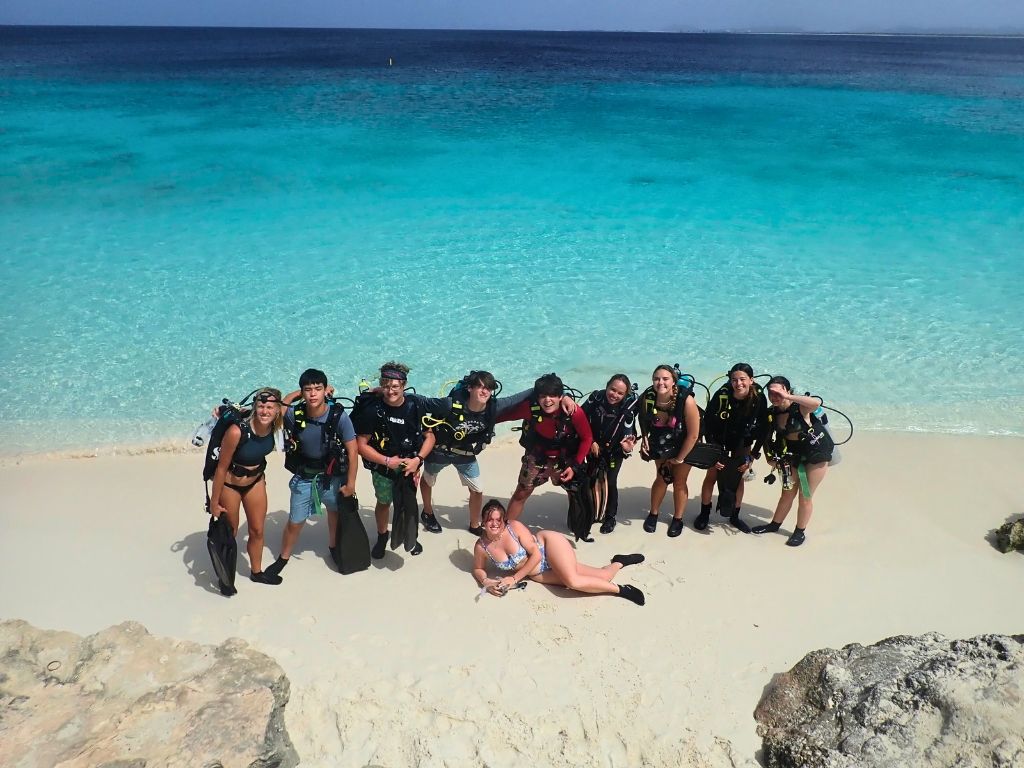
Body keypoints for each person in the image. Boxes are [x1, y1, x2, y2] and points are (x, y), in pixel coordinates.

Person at [264, 369, 359, 579]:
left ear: (326, 391)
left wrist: (350, 483)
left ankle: (333, 547)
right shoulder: (295, 415)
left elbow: (353, 451)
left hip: (332, 478)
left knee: (334, 514)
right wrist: (297, 394)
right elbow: (280, 407)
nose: (313, 394)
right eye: (308, 390)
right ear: (302, 392)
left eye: (318, 389)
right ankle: (283, 557)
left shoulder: (338, 417)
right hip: (305, 478)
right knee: (295, 521)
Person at [418, 371, 533, 536]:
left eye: (488, 388)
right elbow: (421, 402)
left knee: (477, 489)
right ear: (470, 388)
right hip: (439, 450)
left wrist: (558, 394)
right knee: (428, 480)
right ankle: (427, 513)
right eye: (479, 386)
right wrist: (384, 393)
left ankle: (474, 524)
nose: (484, 391)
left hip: (464, 452)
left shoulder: (494, 406)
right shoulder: (449, 404)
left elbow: (519, 397)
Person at [472, 500, 646, 605]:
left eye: (498, 520)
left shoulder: (514, 527)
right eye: (490, 520)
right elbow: (478, 569)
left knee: (573, 581)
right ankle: (619, 561)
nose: (494, 524)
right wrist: (487, 582)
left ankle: (622, 590)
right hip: (536, 573)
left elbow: (537, 555)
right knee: (603, 576)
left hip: (548, 547)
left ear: (503, 520)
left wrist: (514, 578)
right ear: (483, 521)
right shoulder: (481, 546)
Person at [351, 362, 435, 559]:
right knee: (383, 502)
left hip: (410, 467)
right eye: (386, 386)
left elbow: (430, 437)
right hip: (383, 469)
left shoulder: (416, 407)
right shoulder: (373, 410)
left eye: (395, 386)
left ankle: (408, 534)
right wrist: (386, 460)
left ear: (403, 385)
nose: (391, 391)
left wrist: (418, 460)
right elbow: (360, 444)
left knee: (407, 503)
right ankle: (382, 536)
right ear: (382, 385)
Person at [207, 387, 284, 587]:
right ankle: (225, 578)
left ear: (277, 409)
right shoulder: (236, 431)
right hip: (230, 485)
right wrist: (214, 503)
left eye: (269, 407)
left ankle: (256, 572)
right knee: (230, 533)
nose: (265, 411)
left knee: (257, 530)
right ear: (254, 407)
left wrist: (318, 389)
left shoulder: (276, 423)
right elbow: (221, 469)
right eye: (260, 406)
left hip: (256, 482)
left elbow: (292, 397)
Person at [503, 373, 594, 530]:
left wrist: (575, 466)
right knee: (521, 492)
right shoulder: (531, 409)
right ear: (537, 397)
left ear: (560, 397)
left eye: (553, 395)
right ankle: (504, 531)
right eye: (543, 396)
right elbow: (503, 415)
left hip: (565, 459)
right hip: (538, 457)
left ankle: (578, 526)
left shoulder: (573, 412)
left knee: (574, 492)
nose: (547, 400)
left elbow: (587, 438)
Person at [752, 376, 834, 547]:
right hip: (791, 457)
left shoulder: (801, 408)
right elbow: (766, 438)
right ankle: (774, 525)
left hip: (815, 457)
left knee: (805, 496)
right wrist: (769, 458)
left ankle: (799, 531)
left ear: (787, 390)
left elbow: (816, 403)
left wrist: (788, 397)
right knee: (787, 493)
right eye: (771, 393)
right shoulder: (772, 413)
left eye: (778, 392)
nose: (774, 396)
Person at [697, 363, 769, 533]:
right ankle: (704, 514)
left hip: (742, 443)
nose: (738, 384)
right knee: (712, 475)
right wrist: (714, 454)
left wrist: (752, 455)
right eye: (734, 380)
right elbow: (707, 422)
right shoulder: (722, 395)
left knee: (739, 477)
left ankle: (735, 516)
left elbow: (764, 428)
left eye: (743, 379)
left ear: (751, 380)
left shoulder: (759, 397)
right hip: (719, 440)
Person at [637, 365, 702, 537]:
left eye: (665, 379)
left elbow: (694, 434)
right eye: (656, 379)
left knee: (679, 481)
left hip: (686, 444)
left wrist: (680, 458)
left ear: (673, 381)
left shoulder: (686, 400)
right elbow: (642, 418)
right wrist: (644, 438)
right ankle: (653, 513)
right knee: (662, 478)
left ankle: (678, 519)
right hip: (661, 444)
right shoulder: (648, 397)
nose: (660, 382)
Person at [581, 374, 638, 534]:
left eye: (620, 393)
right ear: (607, 386)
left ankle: (610, 517)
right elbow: (581, 418)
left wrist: (627, 448)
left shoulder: (627, 411)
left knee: (610, 482)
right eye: (612, 389)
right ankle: (593, 511)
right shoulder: (597, 398)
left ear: (625, 395)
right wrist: (590, 441)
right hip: (593, 445)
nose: (615, 395)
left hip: (614, 450)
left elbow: (628, 431)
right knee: (592, 478)